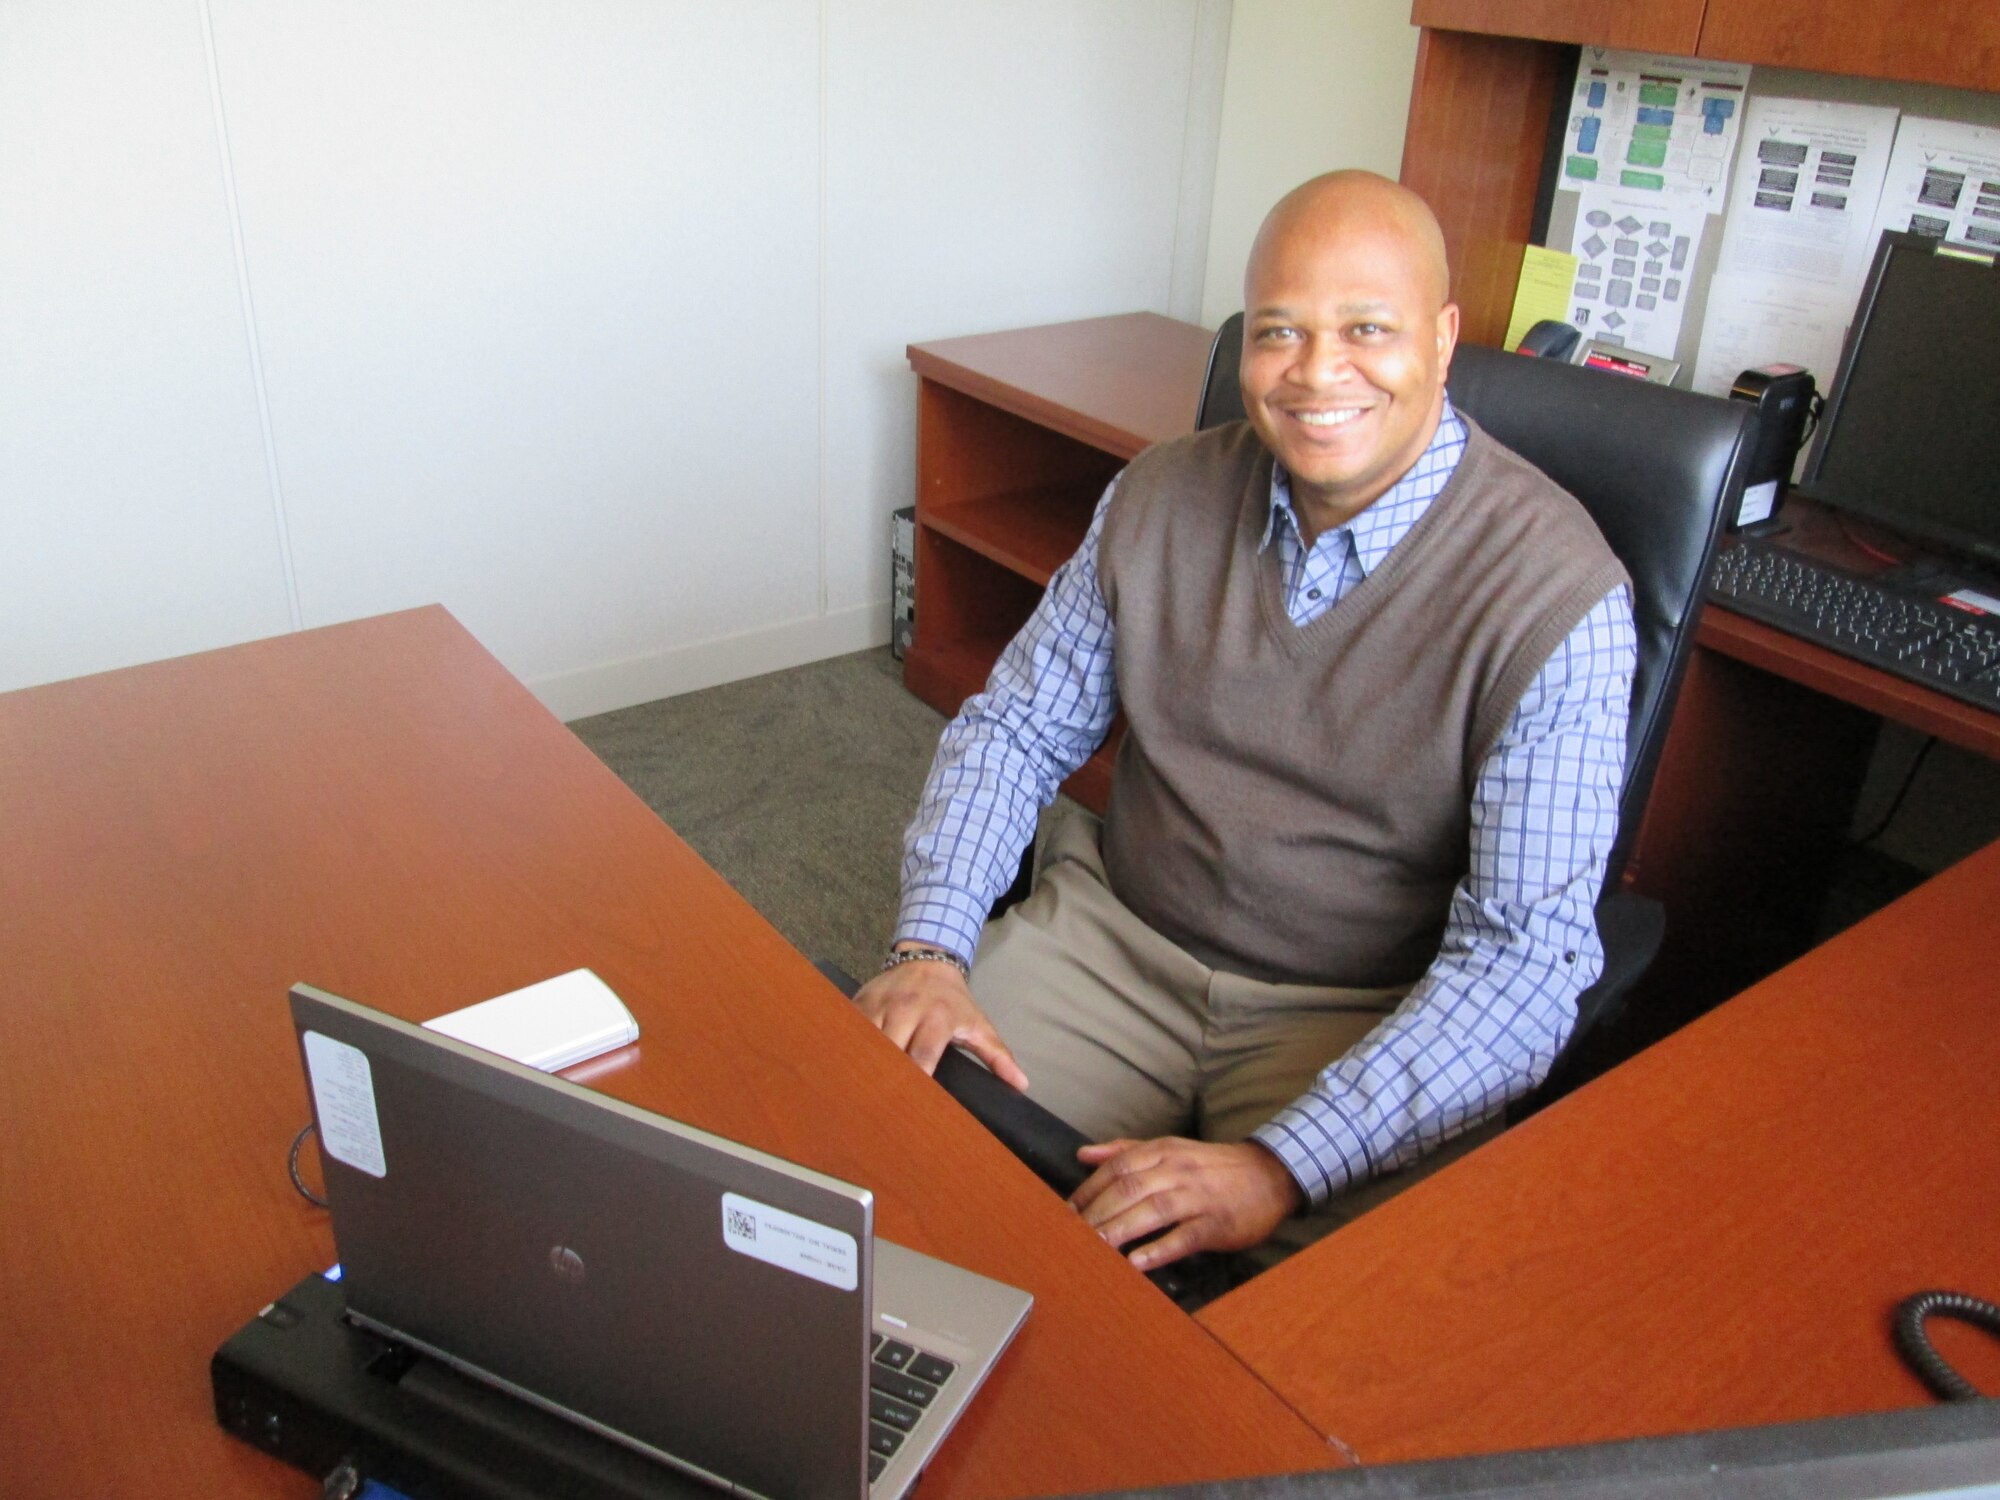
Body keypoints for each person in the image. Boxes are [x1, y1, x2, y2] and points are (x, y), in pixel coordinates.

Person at [857, 170, 1636, 1274]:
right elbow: (1015, 729)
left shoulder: (1556, 595)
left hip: (1361, 1007)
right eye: (1279, 332)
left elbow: (1521, 961)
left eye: (1366, 328)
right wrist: (930, 946)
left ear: (1443, 337)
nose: (1318, 373)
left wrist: (1284, 1164)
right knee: (890, 1143)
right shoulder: (1157, 495)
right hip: (1121, 940)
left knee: (1332, 1342)